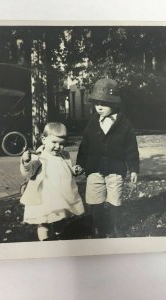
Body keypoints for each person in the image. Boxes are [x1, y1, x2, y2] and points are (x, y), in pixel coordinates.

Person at [76, 78, 139, 238]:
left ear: (115, 103)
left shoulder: (125, 124)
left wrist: (133, 169)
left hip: (115, 170)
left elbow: (131, 148)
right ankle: (97, 228)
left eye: (104, 103)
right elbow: (85, 146)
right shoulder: (92, 122)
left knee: (114, 200)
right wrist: (80, 164)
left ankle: (116, 228)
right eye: (96, 103)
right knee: (94, 200)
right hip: (94, 169)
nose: (99, 107)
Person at [20, 122, 84, 241]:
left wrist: (74, 170)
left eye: (61, 144)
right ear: (44, 140)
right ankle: (45, 242)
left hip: (61, 195)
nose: (58, 147)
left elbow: (67, 170)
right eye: (54, 142)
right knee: (43, 221)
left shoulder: (64, 155)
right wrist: (26, 162)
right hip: (44, 197)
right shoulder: (38, 156)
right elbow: (29, 172)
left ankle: (59, 237)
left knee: (59, 218)